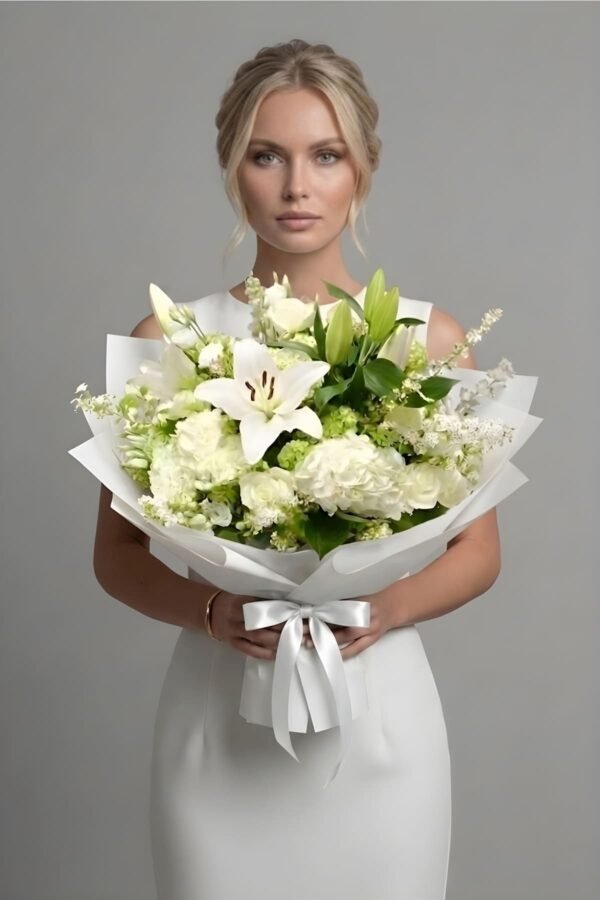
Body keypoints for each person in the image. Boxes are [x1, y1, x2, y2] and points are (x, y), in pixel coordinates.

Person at [94, 38, 501, 900]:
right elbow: (117, 559)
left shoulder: (427, 341)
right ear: (230, 166)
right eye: (266, 155)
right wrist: (214, 611)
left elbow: (478, 552)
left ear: (364, 169)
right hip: (219, 712)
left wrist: (382, 608)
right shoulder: (166, 342)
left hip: (380, 712)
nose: (295, 187)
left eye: (326, 156)